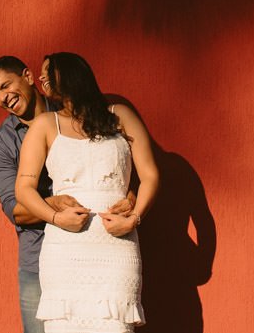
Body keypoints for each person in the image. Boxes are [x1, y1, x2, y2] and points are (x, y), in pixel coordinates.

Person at [0, 55, 133, 333]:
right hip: (40, 257)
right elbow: (15, 210)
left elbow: (115, 163)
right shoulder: (2, 143)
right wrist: (52, 207)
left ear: (29, 77)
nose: (3, 97)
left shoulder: (77, 108)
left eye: (5, 86)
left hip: (102, 248)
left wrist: (130, 199)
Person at [14, 52, 159, 333]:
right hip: (64, 250)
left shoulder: (120, 116)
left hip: (116, 247)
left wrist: (134, 219)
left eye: (47, 71)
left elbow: (150, 175)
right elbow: (23, 188)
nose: (41, 77)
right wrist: (56, 218)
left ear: (71, 73)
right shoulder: (46, 124)